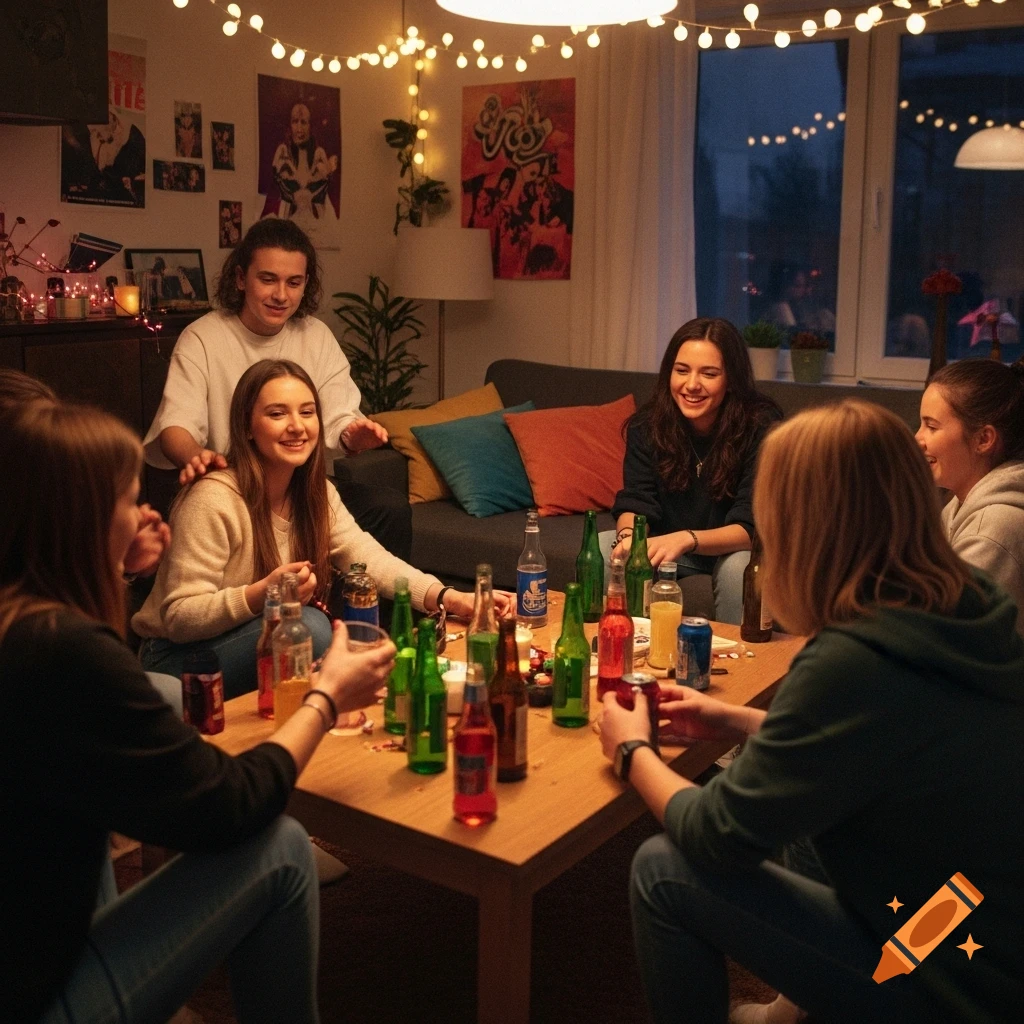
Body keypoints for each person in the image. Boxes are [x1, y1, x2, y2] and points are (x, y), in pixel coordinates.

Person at [598, 400, 1023, 1024]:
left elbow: (718, 835)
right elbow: (879, 750)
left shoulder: (850, 660)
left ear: (807, 526)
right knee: (809, 803)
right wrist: (737, 721)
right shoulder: (964, 599)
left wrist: (633, 749)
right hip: (980, 911)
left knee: (664, 869)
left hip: (949, 972)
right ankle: (789, 1015)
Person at [1, 397, 396, 1023]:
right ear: (81, 520)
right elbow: (230, 807)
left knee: (80, 805)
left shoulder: (24, 626)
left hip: (32, 943)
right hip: (35, 998)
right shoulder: (66, 656)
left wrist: (114, 566)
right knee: (281, 846)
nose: (146, 515)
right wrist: (325, 698)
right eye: (129, 502)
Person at [135, 359, 511, 696]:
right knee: (311, 629)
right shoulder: (213, 498)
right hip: (176, 658)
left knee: (320, 634)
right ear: (248, 426)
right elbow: (179, 617)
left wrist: (448, 597)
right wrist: (261, 595)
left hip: (258, 638)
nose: (297, 426)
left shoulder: (316, 492)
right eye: (277, 414)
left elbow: (367, 556)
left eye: (307, 412)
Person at [142, 218, 413, 560]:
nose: (281, 295)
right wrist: (197, 457)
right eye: (268, 279)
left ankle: (353, 610)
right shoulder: (202, 338)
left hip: (301, 490)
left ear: (305, 285)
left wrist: (352, 436)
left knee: (389, 508)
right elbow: (174, 427)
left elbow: (339, 415)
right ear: (241, 278)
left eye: (294, 282)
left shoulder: (316, 336)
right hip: (235, 490)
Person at [611, 317, 781, 623]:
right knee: (604, 548)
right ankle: (629, 651)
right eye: (681, 371)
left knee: (737, 569)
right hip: (676, 549)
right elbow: (636, 501)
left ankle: (745, 664)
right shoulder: (647, 424)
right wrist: (629, 538)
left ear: (731, 379)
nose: (691, 385)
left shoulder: (762, 426)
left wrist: (686, 538)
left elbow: (753, 527)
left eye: (709, 374)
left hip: (736, 549)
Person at [917, 358, 1024, 634]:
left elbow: (948, 638)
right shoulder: (957, 506)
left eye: (931, 426)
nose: (918, 438)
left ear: (983, 440)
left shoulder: (992, 530)